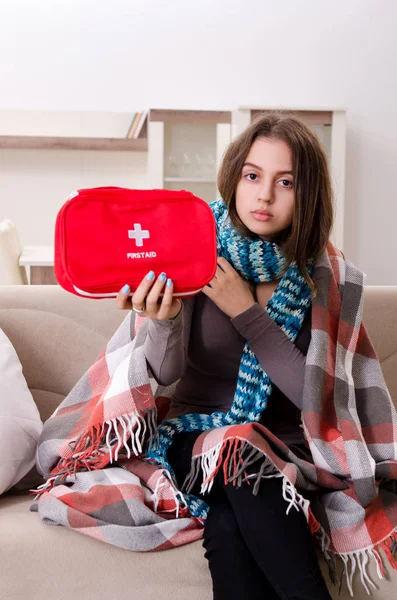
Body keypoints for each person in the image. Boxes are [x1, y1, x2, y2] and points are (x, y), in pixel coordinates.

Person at [116, 111, 334, 599]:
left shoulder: (324, 275)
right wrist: (165, 318)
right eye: (252, 176)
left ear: (308, 194)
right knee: (237, 445)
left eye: (286, 182)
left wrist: (247, 314)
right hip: (196, 439)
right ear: (234, 177)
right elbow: (165, 373)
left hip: (287, 449)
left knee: (230, 530)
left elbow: (314, 399)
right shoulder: (194, 252)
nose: (264, 196)